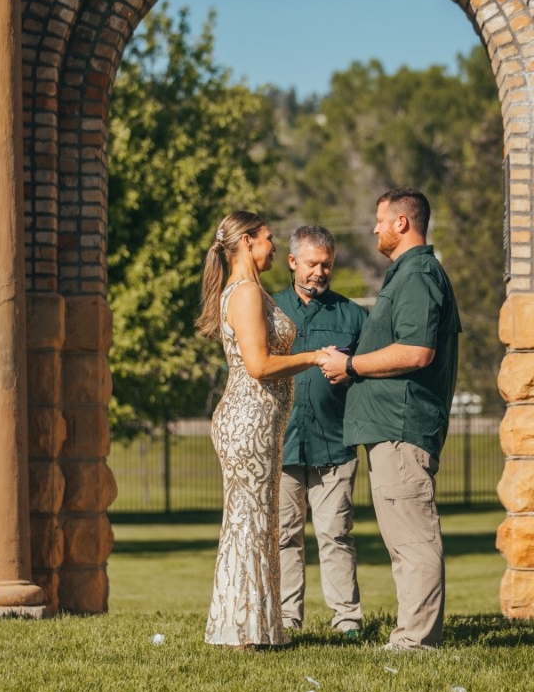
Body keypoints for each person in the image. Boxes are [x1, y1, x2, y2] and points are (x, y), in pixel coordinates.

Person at [322, 187, 462, 650]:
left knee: (413, 539)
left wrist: (353, 366)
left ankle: (417, 640)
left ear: (402, 222)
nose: (375, 228)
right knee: (402, 541)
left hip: (402, 428)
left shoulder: (419, 275)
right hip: (389, 429)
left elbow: (417, 351)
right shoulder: (406, 275)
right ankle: (410, 634)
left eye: (380, 219)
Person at [196, 211, 327, 649]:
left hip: (260, 422)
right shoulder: (247, 293)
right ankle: (242, 631)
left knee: (257, 522)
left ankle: (257, 626)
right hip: (248, 421)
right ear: (248, 241)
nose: (273, 246)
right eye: (269, 239)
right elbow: (259, 366)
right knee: (250, 523)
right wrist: (314, 357)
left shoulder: (250, 291)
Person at [272, 225, 367, 640]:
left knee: (336, 534)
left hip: (335, 443)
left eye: (326, 264)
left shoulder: (354, 316)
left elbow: (367, 377)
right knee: (283, 537)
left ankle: (347, 619)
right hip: (282, 443)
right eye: (312, 263)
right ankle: (287, 618)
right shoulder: (269, 310)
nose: (320, 271)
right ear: (293, 262)